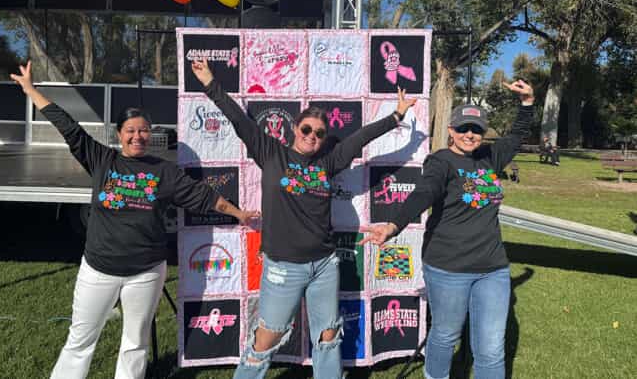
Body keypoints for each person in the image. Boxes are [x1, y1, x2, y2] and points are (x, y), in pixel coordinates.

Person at [10, 61, 256, 379]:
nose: (137, 136)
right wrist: (31, 89)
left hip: (146, 272)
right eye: (131, 131)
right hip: (98, 269)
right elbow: (68, 126)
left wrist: (240, 213)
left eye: (143, 130)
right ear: (119, 134)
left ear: (149, 134)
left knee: (135, 343)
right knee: (80, 341)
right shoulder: (101, 159)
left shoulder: (164, 171)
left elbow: (206, 197)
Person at [191, 58, 415, 379]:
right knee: (267, 337)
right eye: (307, 129)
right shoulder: (271, 153)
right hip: (283, 267)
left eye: (319, 133)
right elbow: (239, 120)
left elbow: (361, 138)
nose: (312, 136)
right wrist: (211, 84)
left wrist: (397, 115)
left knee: (327, 335)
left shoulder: (329, 161)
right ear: (295, 129)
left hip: (324, 264)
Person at [361, 79, 534, 379]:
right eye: (464, 128)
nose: (470, 134)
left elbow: (517, 135)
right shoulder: (440, 161)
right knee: (445, 335)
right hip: (448, 267)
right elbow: (423, 193)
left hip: (493, 268)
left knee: (492, 348)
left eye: (477, 129)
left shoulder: (488, 159)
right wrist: (393, 225)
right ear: (451, 131)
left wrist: (528, 102)